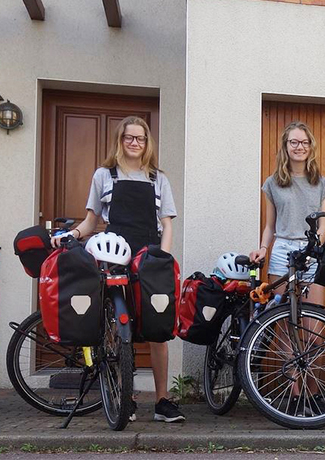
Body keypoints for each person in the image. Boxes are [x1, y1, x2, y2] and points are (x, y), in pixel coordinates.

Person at [51, 116, 184, 423]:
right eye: (129, 137)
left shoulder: (158, 178)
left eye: (140, 138)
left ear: (147, 143)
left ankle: (162, 400)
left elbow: (166, 224)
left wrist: (162, 258)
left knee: (157, 328)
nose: (135, 143)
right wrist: (71, 235)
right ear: (120, 140)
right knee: (117, 326)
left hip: (149, 255)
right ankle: (126, 397)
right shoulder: (104, 175)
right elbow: (90, 221)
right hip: (114, 254)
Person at [249, 121, 325, 304]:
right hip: (282, 251)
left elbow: (323, 226)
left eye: (304, 142)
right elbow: (270, 226)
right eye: (294, 142)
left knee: (313, 315)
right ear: (285, 146)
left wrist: (313, 248)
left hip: (310, 252)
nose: (299, 147)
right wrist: (263, 248)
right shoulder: (272, 183)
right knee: (280, 314)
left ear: (310, 146)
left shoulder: (322, 184)